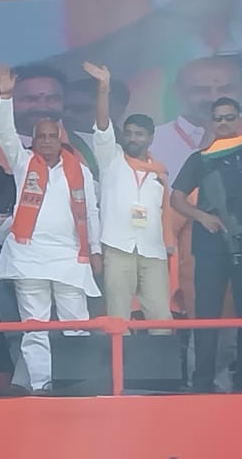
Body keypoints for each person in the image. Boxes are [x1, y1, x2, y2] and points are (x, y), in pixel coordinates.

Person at [0, 65, 101, 395]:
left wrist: (95, 250)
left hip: (70, 257)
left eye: (53, 136)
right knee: (34, 328)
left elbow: (91, 212)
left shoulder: (79, 170)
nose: (48, 141)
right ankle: (41, 385)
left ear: (61, 137)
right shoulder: (23, 163)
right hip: (29, 257)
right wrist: (5, 97)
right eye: (42, 137)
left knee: (76, 325)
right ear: (34, 141)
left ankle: (77, 381)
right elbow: (6, 134)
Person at [171, 96, 242, 393]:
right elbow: (176, 198)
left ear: (240, 120)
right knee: (206, 314)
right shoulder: (200, 158)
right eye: (218, 118)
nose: (224, 123)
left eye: (230, 117)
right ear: (211, 122)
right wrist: (201, 216)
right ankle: (201, 382)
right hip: (209, 249)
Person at [84, 62, 174, 328]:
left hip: (153, 250)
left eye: (139, 134)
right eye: (129, 133)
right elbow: (102, 128)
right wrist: (104, 89)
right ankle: (119, 357)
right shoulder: (111, 159)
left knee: (161, 317)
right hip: (118, 247)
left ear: (150, 138)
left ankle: (160, 358)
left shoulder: (159, 172)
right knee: (118, 316)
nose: (133, 138)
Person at [152, 55, 242, 179]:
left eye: (225, 89)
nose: (214, 98)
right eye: (201, 90)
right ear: (178, 91)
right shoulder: (153, 141)